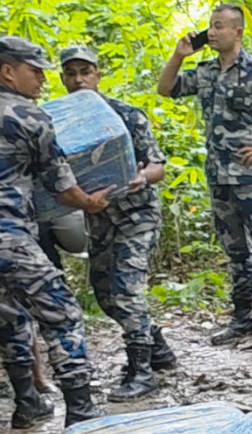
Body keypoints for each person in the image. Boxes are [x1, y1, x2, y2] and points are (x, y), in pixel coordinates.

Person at [0, 36, 110, 429]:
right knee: (62, 312)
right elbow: (63, 188)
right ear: (8, 71)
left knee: (9, 316)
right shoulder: (29, 116)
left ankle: (28, 404)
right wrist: (91, 203)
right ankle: (81, 409)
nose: (43, 81)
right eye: (36, 72)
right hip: (3, 232)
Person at [157, 4, 252, 348]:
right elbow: (166, 89)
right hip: (219, 178)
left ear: (238, 32)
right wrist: (178, 56)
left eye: (220, 27)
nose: (212, 32)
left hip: (251, 178)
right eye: (210, 26)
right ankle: (243, 321)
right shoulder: (206, 72)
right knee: (236, 253)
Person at [60, 45, 176, 401]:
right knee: (105, 295)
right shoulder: (59, 125)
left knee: (126, 291)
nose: (79, 80)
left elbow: (157, 166)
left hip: (136, 216)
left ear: (98, 74)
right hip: (99, 221)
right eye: (71, 73)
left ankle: (141, 371)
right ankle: (156, 347)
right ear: (63, 78)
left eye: (86, 72)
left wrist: (140, 178)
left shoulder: (126, 115)